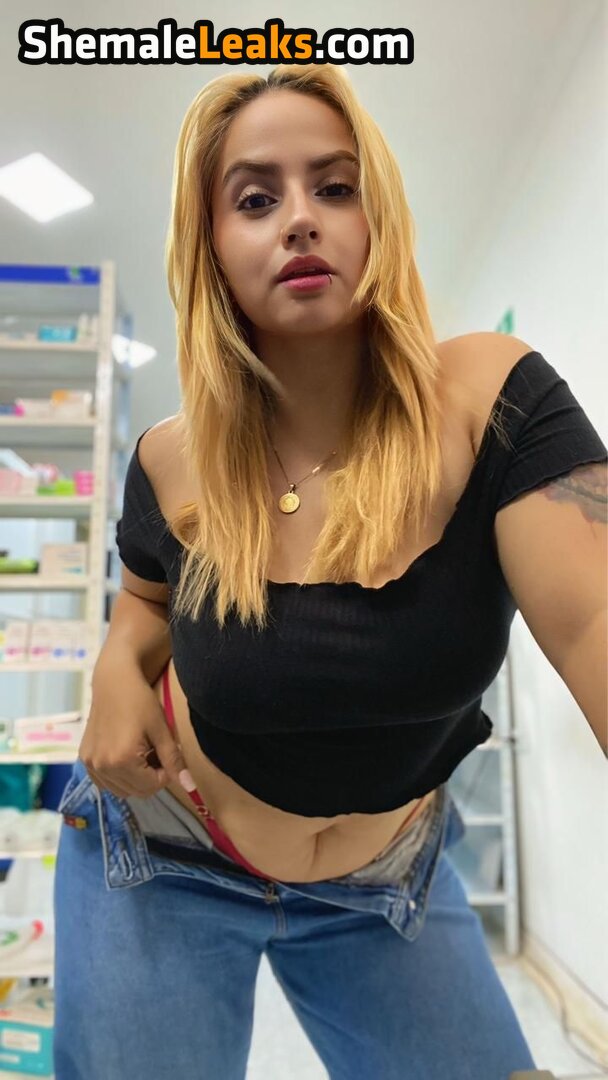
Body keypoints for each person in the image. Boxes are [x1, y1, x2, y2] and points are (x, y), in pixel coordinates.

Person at [53, 63, 607, 1080]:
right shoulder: (169, 459)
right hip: (163, 853)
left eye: (335, 186)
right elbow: (143, 603)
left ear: (376, 216)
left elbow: (592, 624)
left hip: (386, 883)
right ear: (211, 247)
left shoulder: (490, 401)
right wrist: (113, 670)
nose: (300, 218)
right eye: (254, 199)